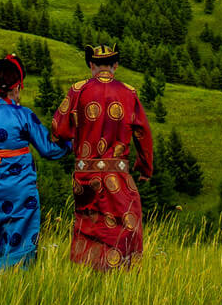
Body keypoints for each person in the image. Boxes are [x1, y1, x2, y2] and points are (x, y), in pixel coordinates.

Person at [51, 42, 154, 271]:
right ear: (115, 65)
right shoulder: (129, 93)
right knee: (123, 226)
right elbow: (143, 133)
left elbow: (59, 128)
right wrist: (145, 168)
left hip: (84, 175)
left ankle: (87, 274)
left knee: (89, 226)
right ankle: (119, 275)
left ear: (91, 65)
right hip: (116, 173)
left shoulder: (78, 90)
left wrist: (63, 140)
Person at [0, 54, 66, 271]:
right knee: (24, 229)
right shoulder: (25, 115)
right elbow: (49, 150)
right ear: (17, 87)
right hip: (22, 190)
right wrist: (72, 142)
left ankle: (0, 273)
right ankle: (22, 278)